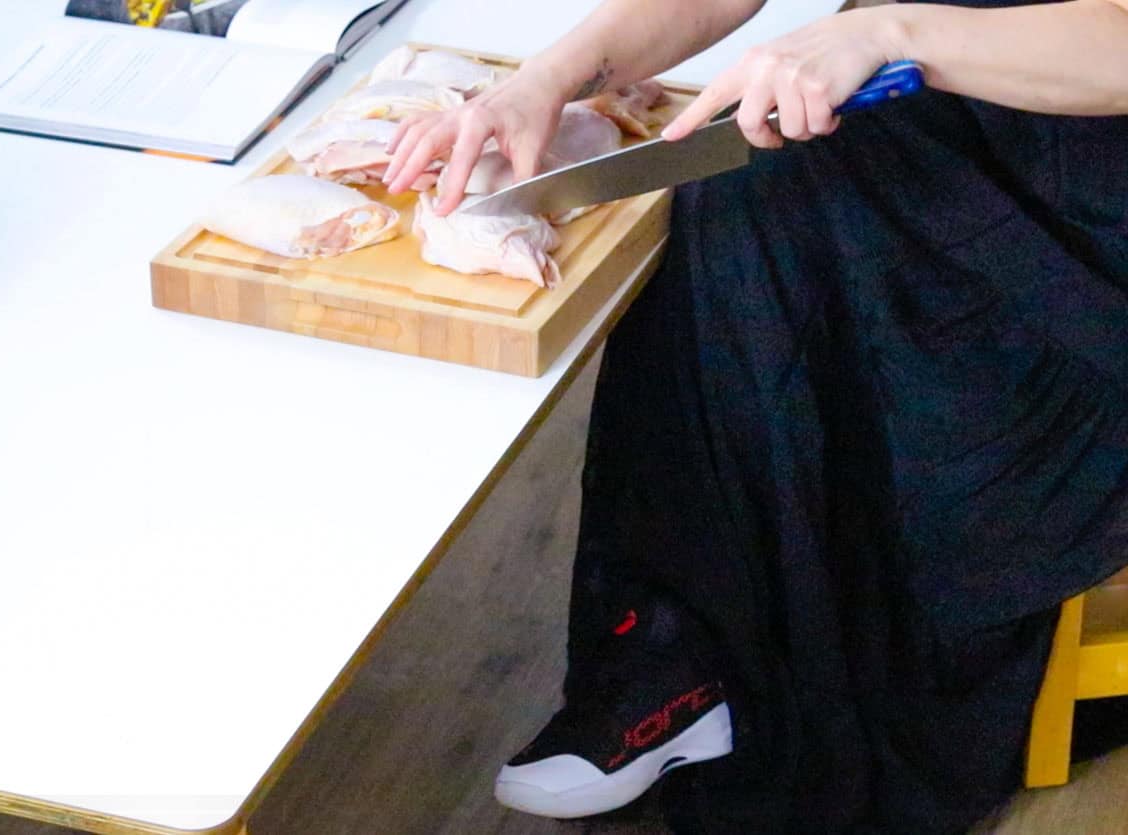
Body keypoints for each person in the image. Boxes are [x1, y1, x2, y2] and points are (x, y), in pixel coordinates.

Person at [385, 1, 1128, 832]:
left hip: (1095, 232)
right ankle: (683, 649)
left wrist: (887, 32)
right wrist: (544, 82)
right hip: (958, 130)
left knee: (766, 203)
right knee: (739, 181)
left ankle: (719, 663)